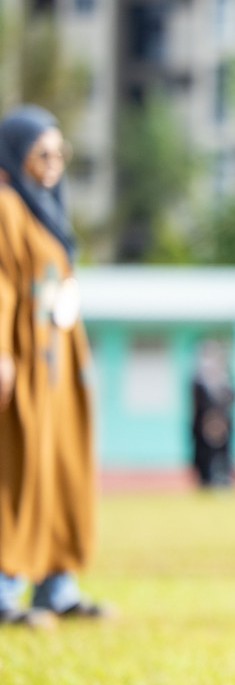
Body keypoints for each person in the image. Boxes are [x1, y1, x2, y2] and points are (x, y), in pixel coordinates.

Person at [0, 105, 109, 627]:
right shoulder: (5, 207)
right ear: (14, 155)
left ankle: (57, 584)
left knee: (61, 471)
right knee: (16, 473)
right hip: (21, 363)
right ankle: (4, 588)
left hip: (58, 368)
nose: (52, 163)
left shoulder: (46, 211)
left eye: (59, 153)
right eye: (40, 152)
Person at [191, 339, 235, 488]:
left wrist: (219, 419)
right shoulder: (199, 380)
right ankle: (205, 480)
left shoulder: (225, 379)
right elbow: (198, 403)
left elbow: (230, 399)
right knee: (203, 453)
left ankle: (224, 478)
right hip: (202, 423)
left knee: (224, 453)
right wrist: (209, 419)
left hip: (223, 423)